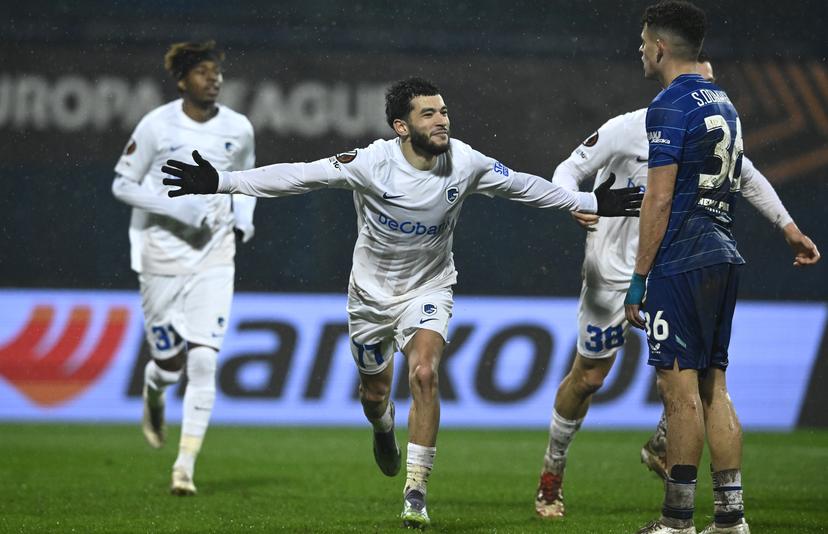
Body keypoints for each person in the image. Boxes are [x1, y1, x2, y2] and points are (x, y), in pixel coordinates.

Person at [159, 77, 642, 528]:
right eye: (428, 114)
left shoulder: (465, 162)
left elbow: (523, 186)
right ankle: (382, 425)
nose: (442, 121)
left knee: (426, 373)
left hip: (429, 288)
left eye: (444, 111)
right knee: (374, 395)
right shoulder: (372, 162)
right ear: (401, 126)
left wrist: (595, 203)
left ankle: (416, 490)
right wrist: (222, 181)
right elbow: (298, 177)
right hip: (369, 297)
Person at [533, 55, 820, 519]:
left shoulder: (709, 129)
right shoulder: (630, 128)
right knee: (589, 378)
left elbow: (746, 175)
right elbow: (568, 169)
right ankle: (552, 471)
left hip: (674, 268)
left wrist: (787, 225)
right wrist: (574, 202)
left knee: (694, 376)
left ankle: (668, 451)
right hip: (613, 274)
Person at [111, 40, 256, 496]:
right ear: (181, 81)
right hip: (160, 253)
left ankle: (184, 467)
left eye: (217, 72)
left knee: (204, 361)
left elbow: (248, 181)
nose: (213, 79)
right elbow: (121, 185)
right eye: (203, 72)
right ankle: (154, 394)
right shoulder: (157, 125)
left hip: (214, 255)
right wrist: (176, 211)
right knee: (170, 366)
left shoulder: (239, 128)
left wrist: (242, 224)